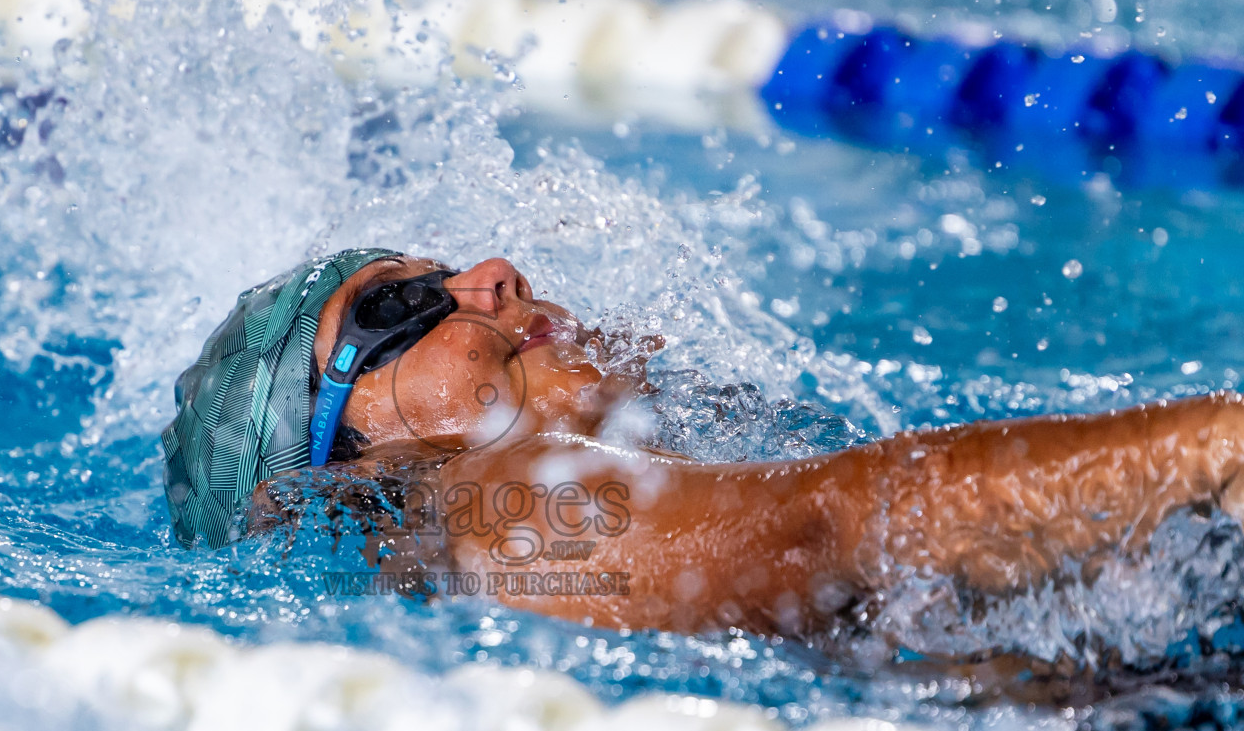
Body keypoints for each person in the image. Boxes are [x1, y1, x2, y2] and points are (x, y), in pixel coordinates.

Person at [162, 248, 1244, 648]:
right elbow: (851, 519)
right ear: (343, 457)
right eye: (403, 303)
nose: (492, 272)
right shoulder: (500, 509)